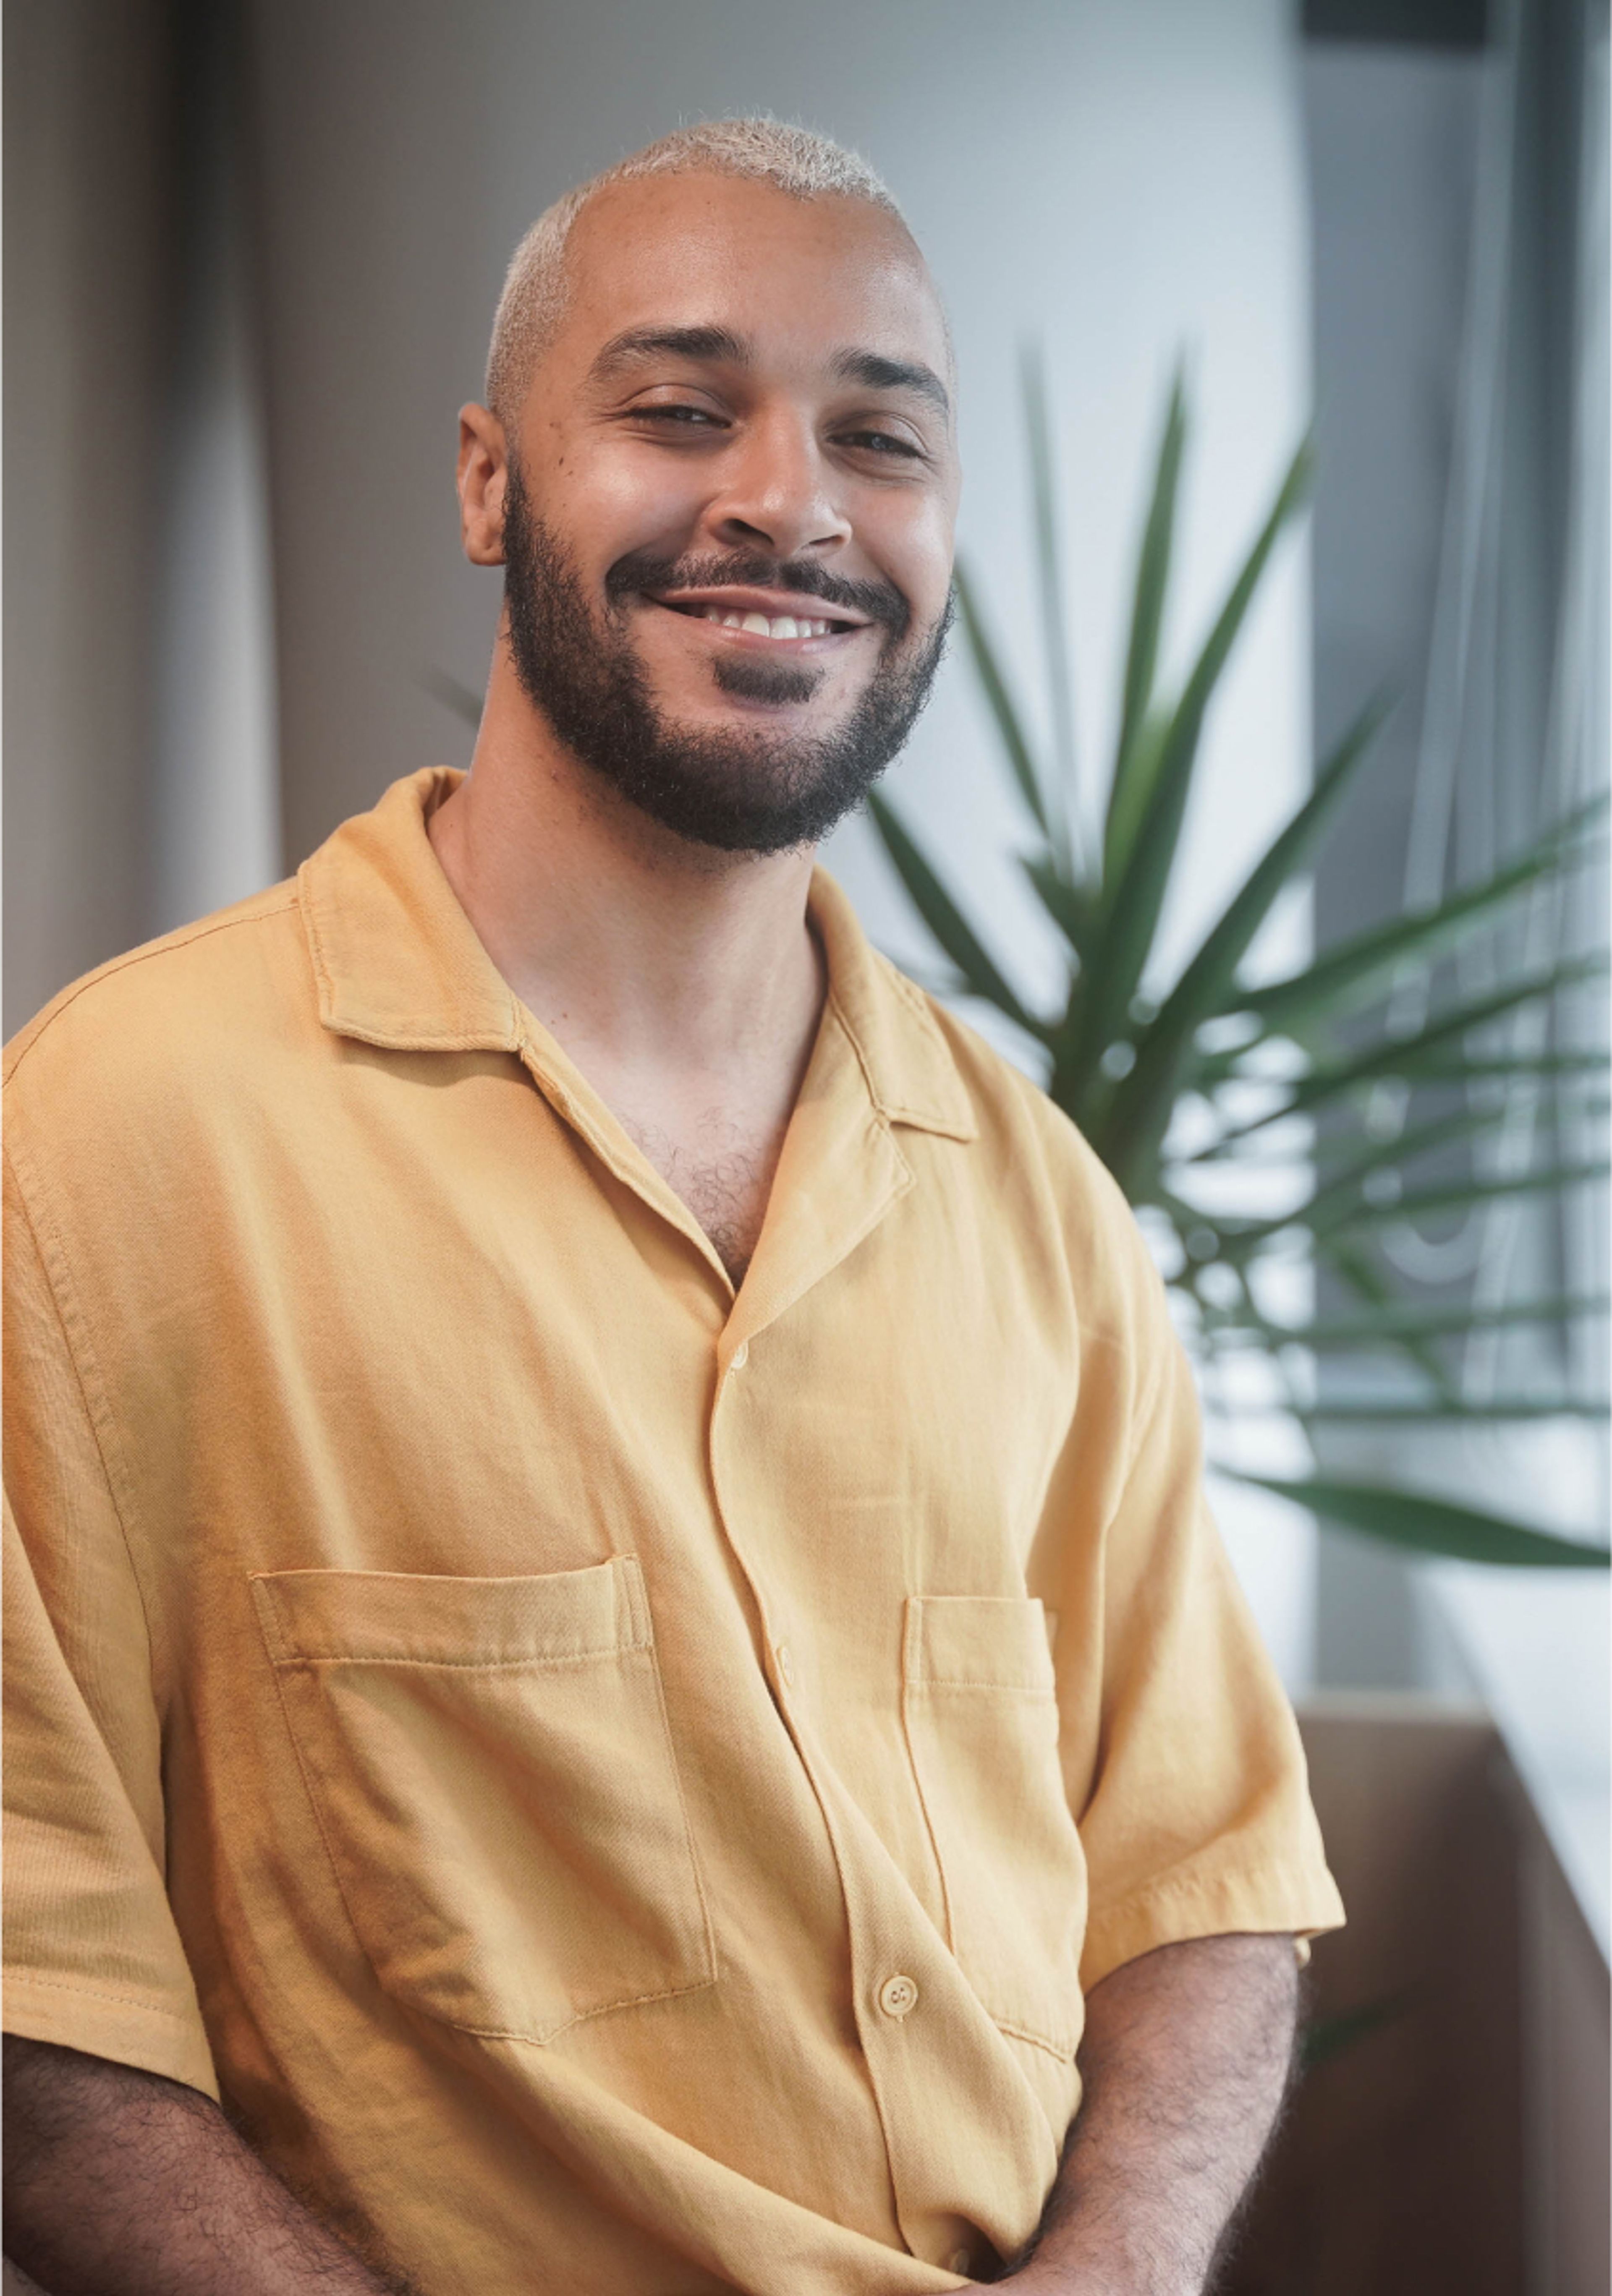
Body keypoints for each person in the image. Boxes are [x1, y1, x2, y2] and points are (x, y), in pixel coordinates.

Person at [3, 119, 1343, 2296]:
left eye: (876, 437)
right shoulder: (114, 1147)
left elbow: (1207, 1888)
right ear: (484, 480)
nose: (790, 504)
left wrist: (1119, 2270)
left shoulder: (1040, 1213)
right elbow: (32, 2017)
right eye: (678, 408)